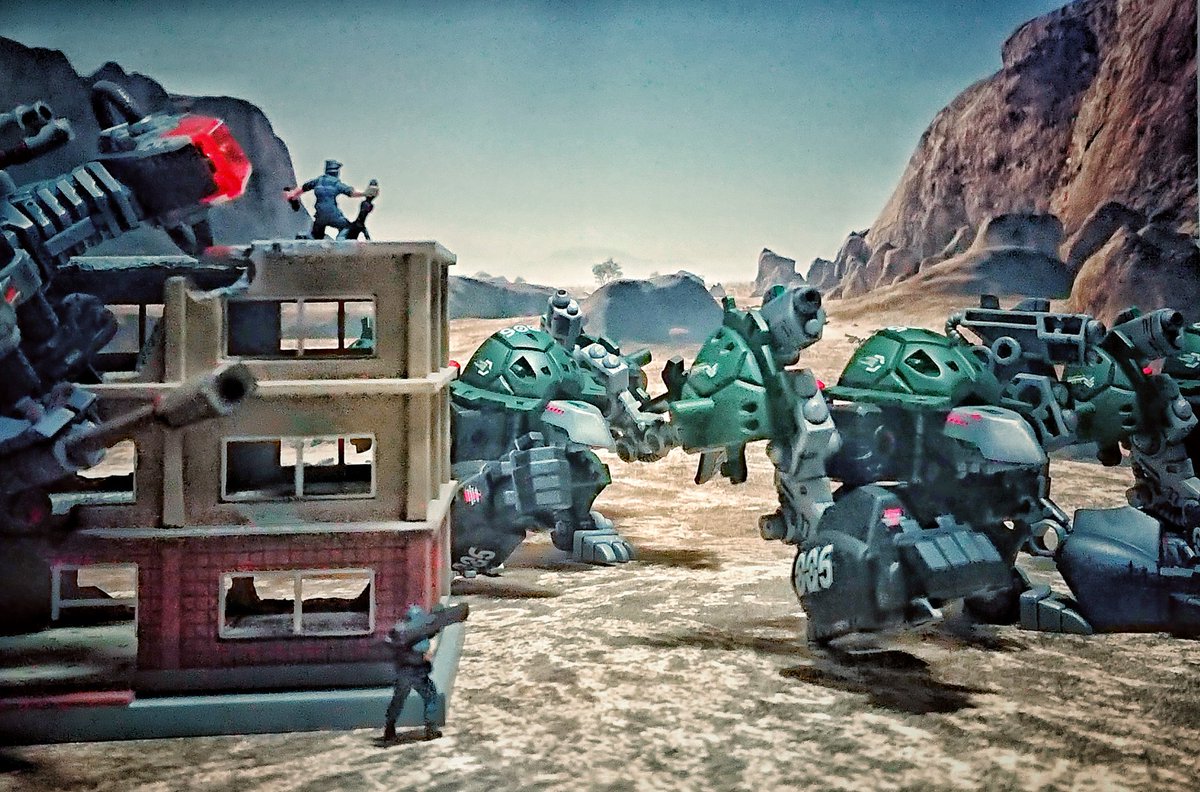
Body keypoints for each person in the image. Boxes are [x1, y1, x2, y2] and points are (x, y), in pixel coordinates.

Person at [382, 604, 443, 741]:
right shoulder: (418, 636)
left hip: (402, 674)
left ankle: (389, 728)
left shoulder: (400, 632)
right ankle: (431, 729)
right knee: (431, 696)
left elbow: (388, 642)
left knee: (398, 700)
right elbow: (424, 650)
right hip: (417, 674)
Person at [284, 159, 367, 240]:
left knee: (316, 235)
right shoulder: (336, 183)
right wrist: (365, 193)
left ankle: (305, 239)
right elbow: (351, 193)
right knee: (346, 227)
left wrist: (292, 194)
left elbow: (303, 188)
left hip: (320, 215)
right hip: (333, 214)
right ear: (336, 172)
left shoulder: (318, 181)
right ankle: (341, 241)